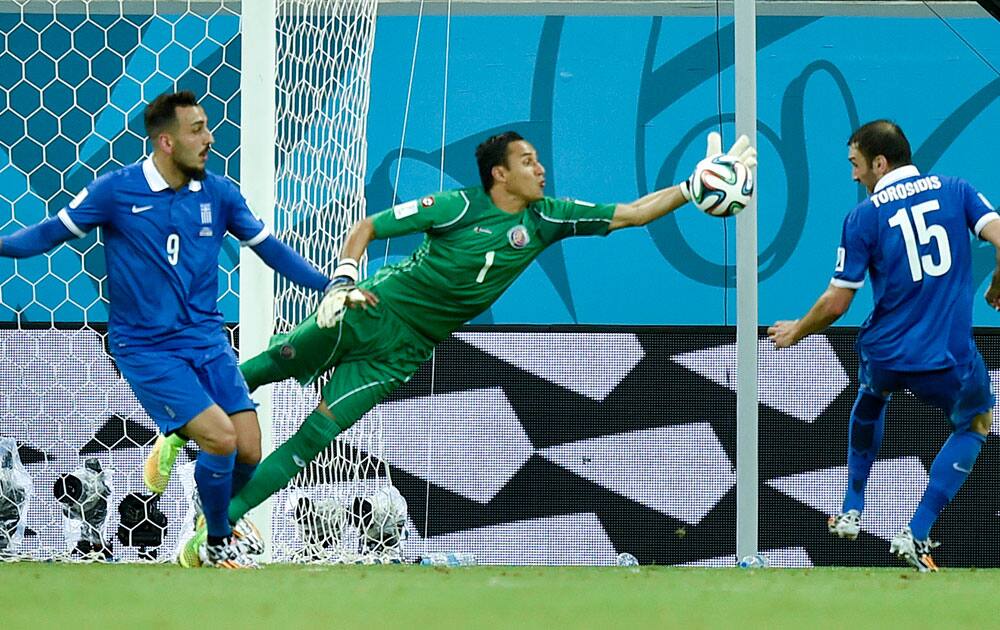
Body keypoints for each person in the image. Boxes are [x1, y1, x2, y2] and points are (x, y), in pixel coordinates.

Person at [170, 129, 757, 566]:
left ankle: (216, 531)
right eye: (528, 161)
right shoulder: (455, 207)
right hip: (372, 309)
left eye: (538, 160)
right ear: (499, 174)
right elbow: (367, 228)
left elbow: (630, 214)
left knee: (313, 439)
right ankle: (174, 433)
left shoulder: (549, 218)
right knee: (270, 364)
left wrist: (689, 186)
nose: (541, 169)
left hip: (403, 352)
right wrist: (344, 280)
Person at [0, 90, 337, 568]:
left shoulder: (219, 193)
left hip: (206, 339)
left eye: (207, 125)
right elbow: (45, 234)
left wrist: (331, 285)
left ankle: (199, 491)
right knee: (220, 438)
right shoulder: (115, 191)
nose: (209, 138)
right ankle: (216, 542)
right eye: (196, 129)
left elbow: (270, 248)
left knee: (250, 449)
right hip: (146, 347)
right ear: (165, 141)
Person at [767, 120, 1000, 572]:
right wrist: (998, 280)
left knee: (871, 397)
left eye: (855, 165)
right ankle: (916, 532)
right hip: (944, 357)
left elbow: (837, 303)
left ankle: (852, 507)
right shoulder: (956, 190)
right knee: (975, 422)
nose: (854, 176)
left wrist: (797, 329)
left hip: (885, 351)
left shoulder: (863, 217)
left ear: (879, 162)